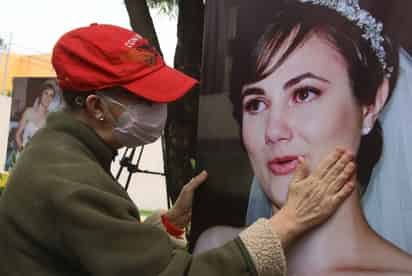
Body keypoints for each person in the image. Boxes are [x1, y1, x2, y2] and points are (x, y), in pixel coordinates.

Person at [0, 23, 355, 276]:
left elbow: (97, 249)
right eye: (145, 99)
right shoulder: (70, 181)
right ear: (96, 107)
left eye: (304, 94)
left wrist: (166, 224)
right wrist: (289, 222)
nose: (160, 109)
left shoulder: (61, 153)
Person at [195, 0, 412, 275]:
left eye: (304, 93)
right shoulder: (216, 253)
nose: (273, 131)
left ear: (370, 105)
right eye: (256, 104)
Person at [14, 79, 59, 152]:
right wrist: (23, 153)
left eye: (51, 95)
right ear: (41, 94)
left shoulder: (50, 118)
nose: (48, 97)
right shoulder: (28, 112)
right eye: (46, 93)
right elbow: (17, 136)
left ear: (52, 99)